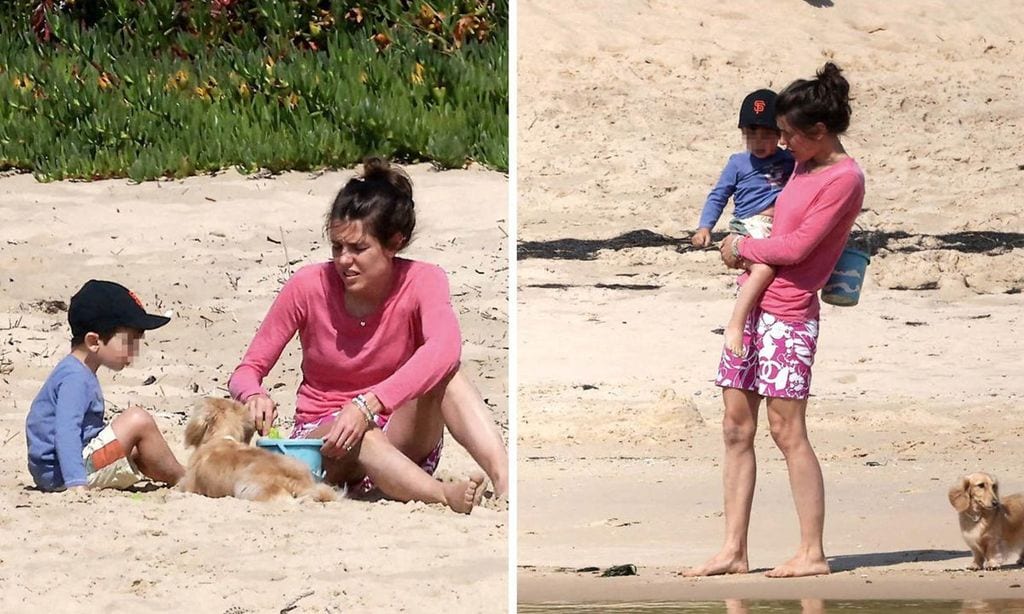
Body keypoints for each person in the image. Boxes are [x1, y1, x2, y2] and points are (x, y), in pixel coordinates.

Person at [229, 157, 509, 514]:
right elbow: (246, 370)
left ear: (394, 242)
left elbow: (445, 349)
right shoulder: (307, 285)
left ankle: (505, 481)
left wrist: (369, 404)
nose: (345, 260)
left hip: (397, 437)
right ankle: (442, 496)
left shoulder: (424, 280)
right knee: (361, 434)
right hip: (324, 443)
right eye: (337, 248)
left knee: (448, 375)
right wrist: (253, 394)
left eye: (358, 249)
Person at [684, 62, 865, 578]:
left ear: (819, 132)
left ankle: (813, 553)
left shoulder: (843, 177)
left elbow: (798, 246)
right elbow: (774, 231)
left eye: (788, 134)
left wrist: (741, 244)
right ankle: (733, 550)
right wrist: (748, 251)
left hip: (788, 316)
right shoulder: (803, 167)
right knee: (736, 428)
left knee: (788, 432)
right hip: (752, 303)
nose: (781, 144)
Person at [25, 280, 186, 492]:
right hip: (64, 474)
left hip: (58, 470)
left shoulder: (75, 370)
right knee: (138, 420)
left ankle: (179, 477)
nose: (134, 353)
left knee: (142, 450)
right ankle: (186, 479)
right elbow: (66, 431)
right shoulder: (75, 378)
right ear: (93, 342)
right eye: (128, 342)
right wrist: (75, 483)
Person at [692, 88, 795, 357]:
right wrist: (705, 227)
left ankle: (761, 328)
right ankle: (735, 325)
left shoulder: (789, 160)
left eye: (767, 134)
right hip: (748, 226)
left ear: (780, 134)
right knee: (762, 271)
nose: (759, 141)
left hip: (777, 230)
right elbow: (719, 195)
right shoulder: (738, 163)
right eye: (751, 134)